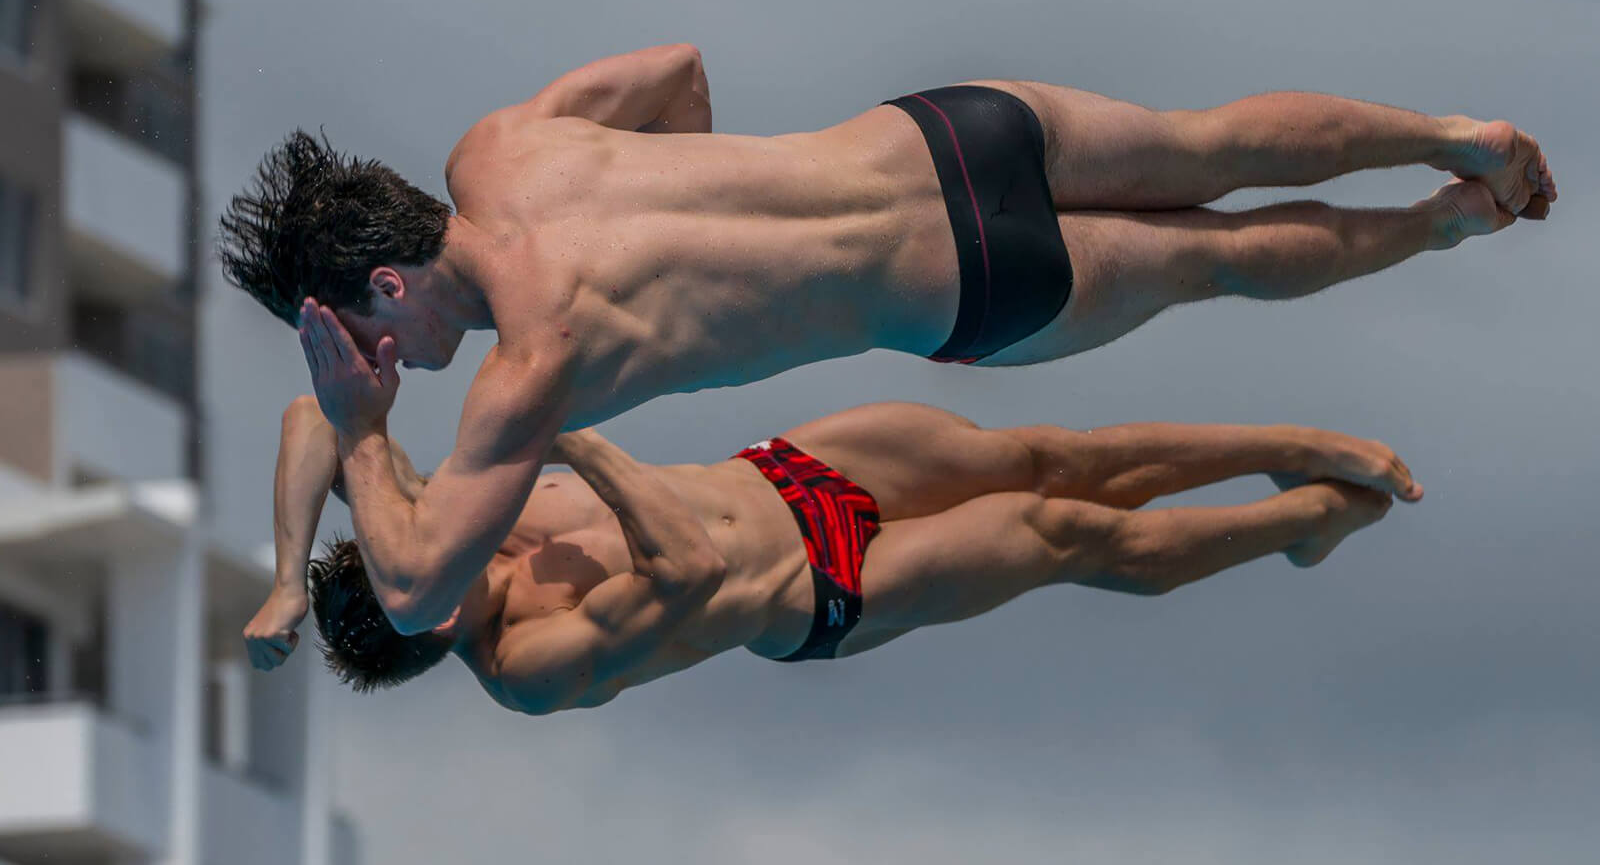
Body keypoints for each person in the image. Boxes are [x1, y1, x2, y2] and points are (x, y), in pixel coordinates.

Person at [221, 43, 1545, 634]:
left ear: (387, 288)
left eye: (336, 329)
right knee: (1208, 145)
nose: (356, 359)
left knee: (1230, 256)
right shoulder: (499, 147)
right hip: (944, 130)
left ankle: (1441, 223)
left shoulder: (532, 368)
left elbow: (413, 592)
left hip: (963, 286)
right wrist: (707, 233)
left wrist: (358, 427)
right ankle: (1454, 134)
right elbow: (680, 68)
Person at [246, 396, 1418, 713]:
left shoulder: (447, 526)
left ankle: (1286, 444)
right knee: (1066, 534)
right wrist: (575, 440)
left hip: (787, 474)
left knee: (1045, 454)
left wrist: (283, 574)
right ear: (433, 619)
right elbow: (689, 579)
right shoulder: (529, 666)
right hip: (822, 590)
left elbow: (321, 415)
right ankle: (1298, 525)